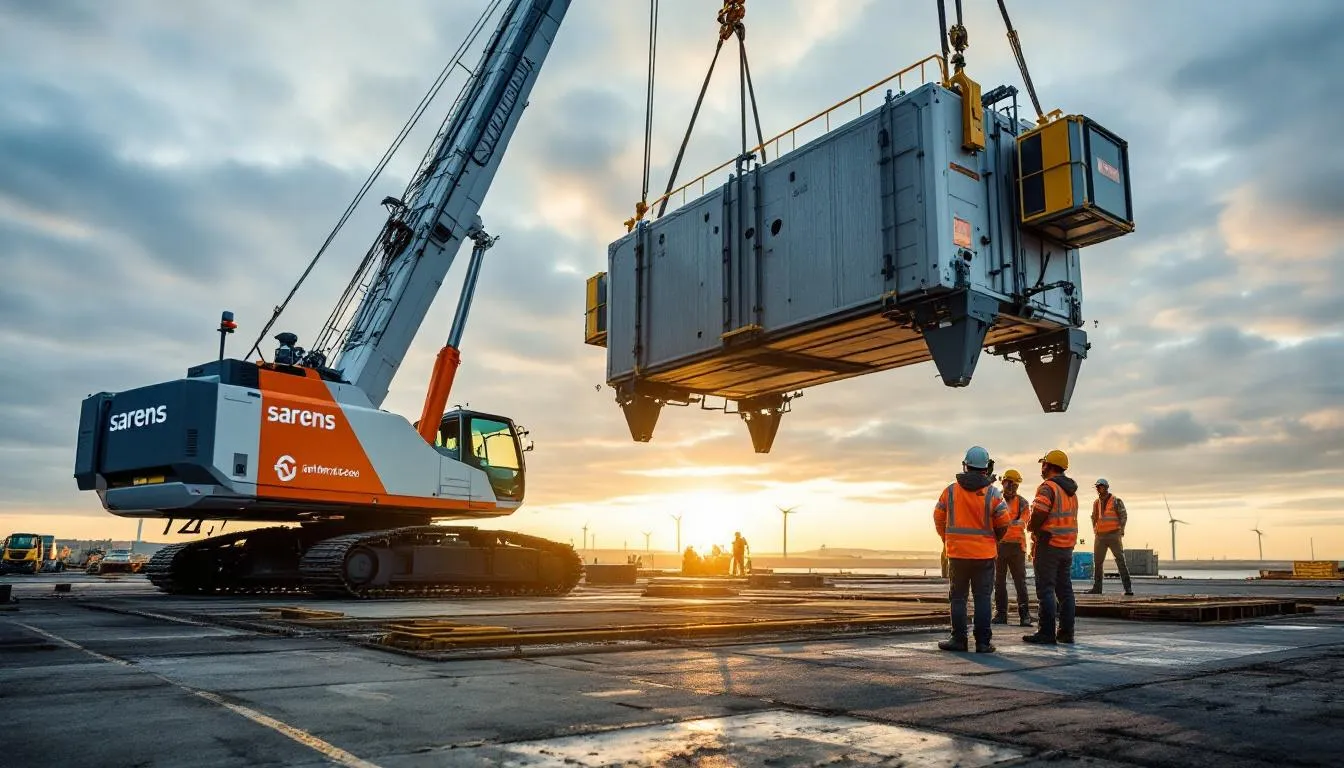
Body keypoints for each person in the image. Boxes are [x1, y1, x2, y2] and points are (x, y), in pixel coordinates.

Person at [933, 446, 1011, 653]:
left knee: (958, 598)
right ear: (986, 468)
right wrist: (993, 540)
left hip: (957, 554)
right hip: (984, 555)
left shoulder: (950, 491)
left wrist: (947, 539)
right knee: (982, 598)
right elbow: (1004, 522)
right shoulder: (992, 493)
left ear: (965, 466)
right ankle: (983, 642)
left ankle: (958, 639)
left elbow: (938, 517)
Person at [1023, 449, 1079, 645]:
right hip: (1066, 546)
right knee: (1065, 591)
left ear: (1048, 465)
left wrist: (1031, 527)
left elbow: (1039, 512)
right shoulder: (1071, 492)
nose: (1042, 467)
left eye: (1043, 464)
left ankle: (1046, 632)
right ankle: (1066, 632)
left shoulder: (1048, 488)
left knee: (1046, 590)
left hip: (1049, 544)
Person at [993, 469, 1034, 627]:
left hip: (1016, 547)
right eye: (1009, 484)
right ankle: (1001, 614)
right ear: (1003, 483)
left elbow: (1022, 522)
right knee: (999, 582)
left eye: (1014, 485)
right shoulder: (996, 500)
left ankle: (1024, 615)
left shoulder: (1022, 503)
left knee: (1019, 582)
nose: (1011, 487)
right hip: (1000, 546)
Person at [1088, 478, 1134, 596]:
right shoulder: (1096, 503)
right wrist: (1095, 530)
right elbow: (1094, 517)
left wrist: (1121, 530)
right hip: (1100, 537)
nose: (1098, 488)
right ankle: (1097, 588)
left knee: (1120, 561)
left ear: (1106, 487)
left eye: (1100, 486)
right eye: (1097, 487)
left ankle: (1128, 588)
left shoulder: (1116, 501)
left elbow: (1123, 516)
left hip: (1114, 535)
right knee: (1098, 563)